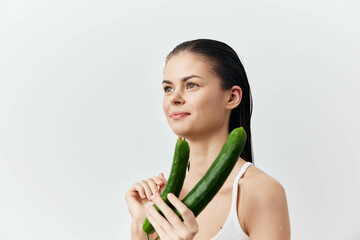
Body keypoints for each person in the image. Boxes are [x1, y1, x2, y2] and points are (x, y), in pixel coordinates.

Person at [125, 39, 291, 240]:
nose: (174, 98)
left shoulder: (260, 192)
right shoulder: (160, 201)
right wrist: (139, 226)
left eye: (191, 85)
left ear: (232, 98)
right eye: (168, 88)